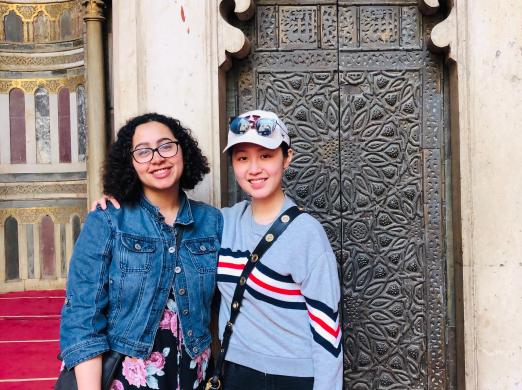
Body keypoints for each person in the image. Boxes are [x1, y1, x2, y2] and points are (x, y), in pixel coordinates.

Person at [94, 110, 343, 390]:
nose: (254, 169)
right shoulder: (222, 222)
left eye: (266, 155)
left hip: (291, 377)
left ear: (287, 159)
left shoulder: (307, 233)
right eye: (242, 158)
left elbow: (327, 332)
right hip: (232, 372)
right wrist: (119, 199)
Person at [60, 113, 223, 390]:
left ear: (183, 150)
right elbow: (82, 314)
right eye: (143, 151)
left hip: (195, 376)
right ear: (131, 163)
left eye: (166, 146)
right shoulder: (109, 220)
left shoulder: (212, 222)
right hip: (127, 377)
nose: (157, 158)